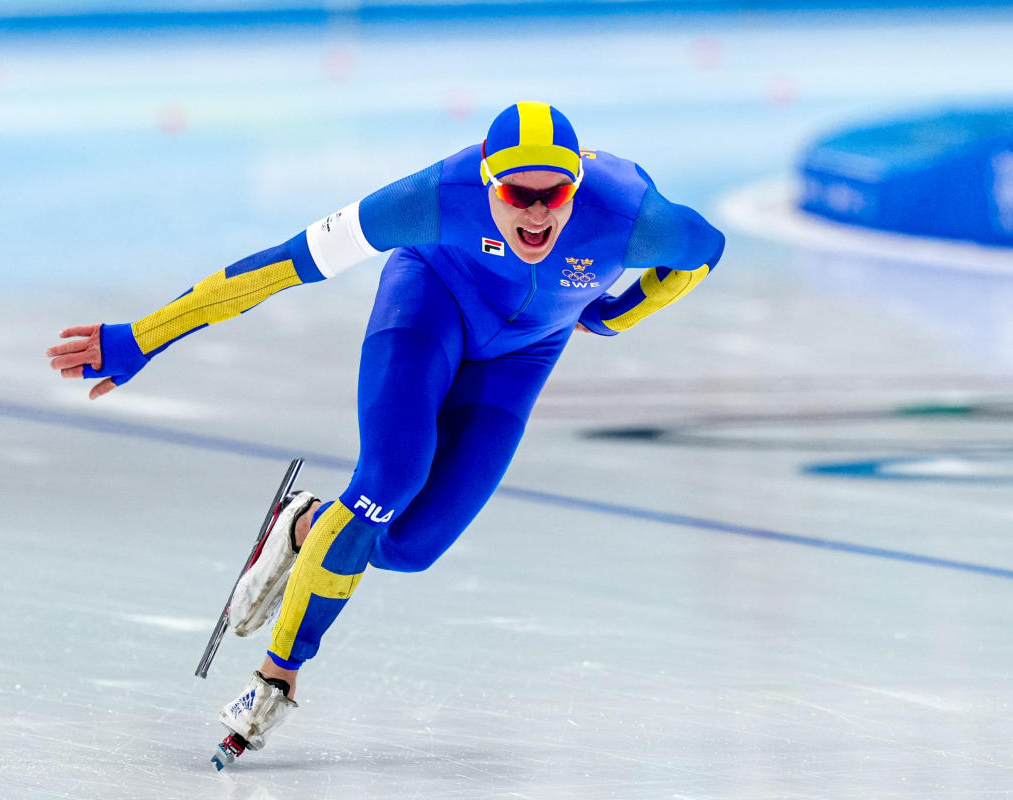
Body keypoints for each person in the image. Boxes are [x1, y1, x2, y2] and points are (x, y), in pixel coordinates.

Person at [45, 101, 725, 761]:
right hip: (428, 305)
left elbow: (706, 250)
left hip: (523, 355)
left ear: (578, 180)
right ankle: (276, 678)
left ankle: (305, 526)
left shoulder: (633, 216)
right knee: (388, 479)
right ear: (488, 178)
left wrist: (621, 313)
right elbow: (280, 264)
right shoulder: (434, 196)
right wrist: (144, 336)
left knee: (407, 548)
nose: (539, 212)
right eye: (518, 193)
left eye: (556, 192)